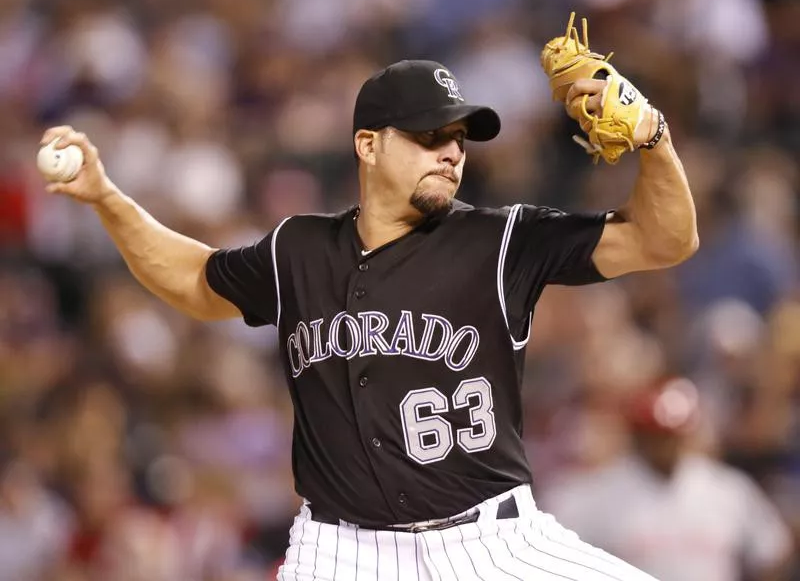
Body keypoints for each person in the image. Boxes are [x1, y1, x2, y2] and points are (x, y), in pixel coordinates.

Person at [40, 58, 698, 580]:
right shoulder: (298, 249)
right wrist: (105, 196)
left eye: (459, 140)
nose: (452, 152)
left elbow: (664, 241)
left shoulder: (501, 241)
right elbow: (193, 279)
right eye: (429, 135)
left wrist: (655, 140)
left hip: (494, 542)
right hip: (341, 554)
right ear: (368, 145)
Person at [542, 377, 794, 581]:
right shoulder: (598, 492)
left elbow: (771, 551)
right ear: (638, 435)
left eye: (672, 435)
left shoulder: (726, 489)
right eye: (656, 435)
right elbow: (551, 559)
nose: (665, 445)